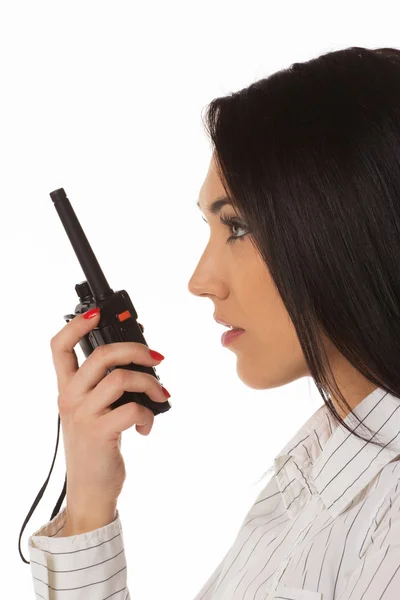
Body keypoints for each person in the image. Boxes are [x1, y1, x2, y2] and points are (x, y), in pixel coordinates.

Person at [28, 45, 400, 599]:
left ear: (347, 223)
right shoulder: (318, 470)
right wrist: (87, 503)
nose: (201, 281)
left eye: (239, 228)